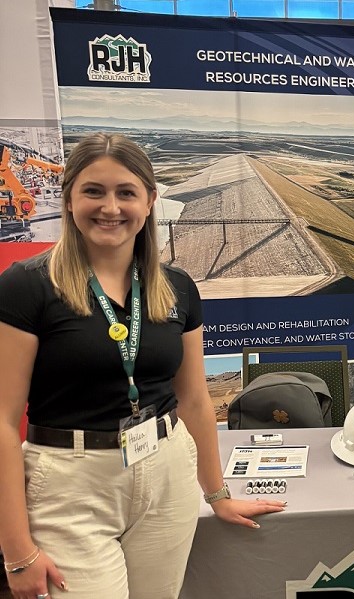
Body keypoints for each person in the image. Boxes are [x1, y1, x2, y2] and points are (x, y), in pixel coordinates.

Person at [0, 133, 286, 599]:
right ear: (69, 198)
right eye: (94, 191)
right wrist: (16, 551)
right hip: (72, 487)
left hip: (167, 473)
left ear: (150, 201)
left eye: (126, 193)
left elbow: (194, 400)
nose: (110, 207)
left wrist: (217, 495)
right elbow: (1, 419)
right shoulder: (26, 287)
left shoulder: (177, 287)